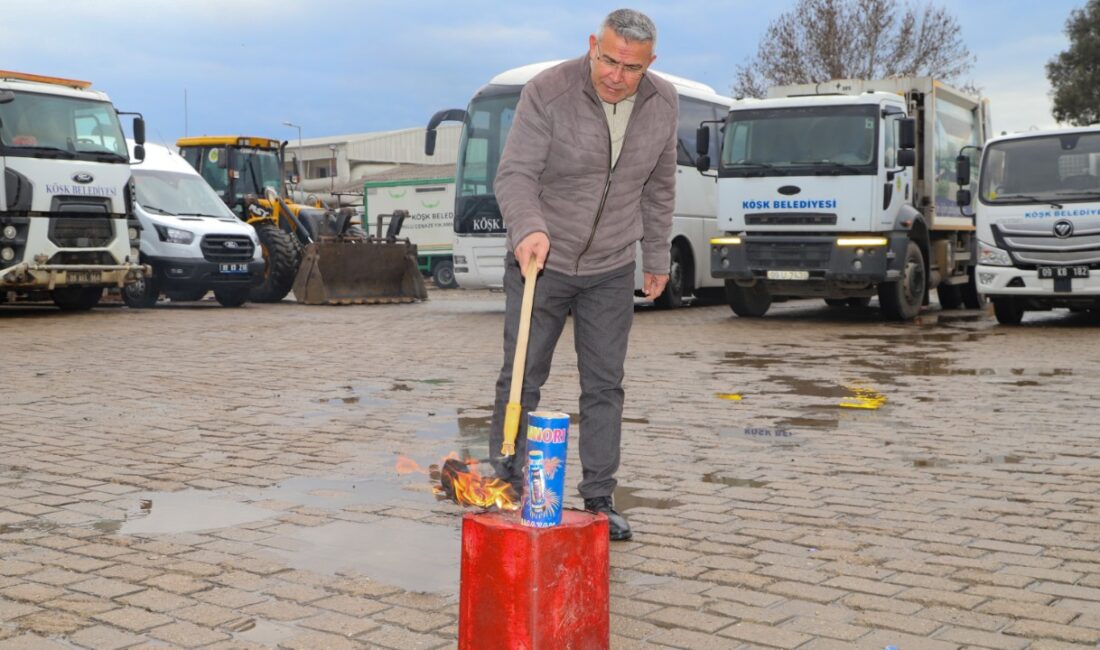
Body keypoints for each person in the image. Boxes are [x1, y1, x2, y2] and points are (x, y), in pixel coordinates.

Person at [488, 8, 678, 541]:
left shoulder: (663, 103)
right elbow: (515, 173)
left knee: (604, 385)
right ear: (593, 44)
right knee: (522, 375)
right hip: (541, 261)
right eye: (609, 60)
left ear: (650, 63)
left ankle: (599, 499)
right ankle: (507, 485)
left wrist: (656, 257)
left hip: (611, 266)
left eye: (632, 67)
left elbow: (660, 186)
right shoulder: (547, 92)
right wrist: (528, 228)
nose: (617, 75)